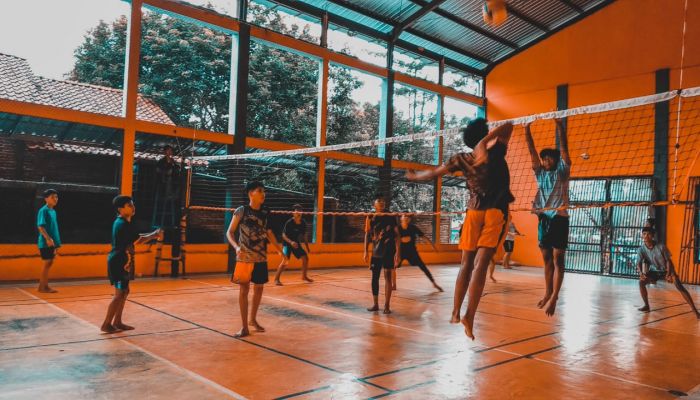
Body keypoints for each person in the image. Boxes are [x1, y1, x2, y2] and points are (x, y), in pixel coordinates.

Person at [407, 118, 514, 340]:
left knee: (466, 263)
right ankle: (469, 316)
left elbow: (434, 173)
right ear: (484, 134)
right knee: (480, 266)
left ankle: (456, 312)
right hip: (494, 213)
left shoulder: (463, 159)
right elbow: (509, 125)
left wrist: (415, 176)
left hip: (473, 212)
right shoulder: (496, 152)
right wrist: (485, 143)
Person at [524, 118, 570, 317]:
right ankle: (548, 291)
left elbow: (565, 152)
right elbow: (532, 152)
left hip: (560, 217)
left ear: (556, 160)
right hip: (544, 218)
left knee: (558, 258)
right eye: (544, 159)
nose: (546, 161)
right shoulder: (540, 174)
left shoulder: (562, 172)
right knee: (546, 259)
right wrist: (526, 129)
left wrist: (560, 127)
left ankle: (555, 297)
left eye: (549, 158)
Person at [226, 181, 282, 337]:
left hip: (261, 258)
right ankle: (244, 327)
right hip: (245, 257)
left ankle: (253, 319)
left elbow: (269, 233)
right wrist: (236, 247)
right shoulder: (241, 211)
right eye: (260, 190)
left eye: (264, 190)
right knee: (244, 290)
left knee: (259, 288)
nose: (263, 193)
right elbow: (229, 232)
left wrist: (279, 250)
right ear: (251, 193)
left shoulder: (265, 212)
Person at [102, 195, 160, 333]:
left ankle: (117, 322)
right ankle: (106, 324)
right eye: (129, 205)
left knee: (125, 291)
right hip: (119, 262)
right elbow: (138, 240)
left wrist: (153, 235)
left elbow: (137, 237)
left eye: (133, 204)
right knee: (119, 293)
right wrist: (154, 235)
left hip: (123, 260)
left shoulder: (124, 223)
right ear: (120, 209)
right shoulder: (122, 224)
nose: (133, 207)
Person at [636, 227, 699, 318]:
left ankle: (694, 310)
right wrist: (641, 273)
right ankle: (646, 305)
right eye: (644, 234)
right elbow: (638, 263)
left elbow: (668, 261)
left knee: (679, 287)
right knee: (641, 282)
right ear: (642, 235)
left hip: (667, 269)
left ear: (653, 236)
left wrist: (669, 274)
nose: (646, 236)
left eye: (649, 234)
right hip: (655, 270)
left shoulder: (661, 246)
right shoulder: (641, 249)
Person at [364, 194, 401, 314]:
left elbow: (397, 236)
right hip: (376, 252)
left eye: (383, 204)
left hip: (389, 251)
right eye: (378, 204)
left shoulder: (390, 216)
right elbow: (367, 234)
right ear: (374, 205)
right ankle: (375, 304)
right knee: (375, 278)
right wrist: (365, 251)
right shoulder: (370, 217)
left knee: (387, 277)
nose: (381, 206)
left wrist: (398, 253)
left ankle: (387, 305)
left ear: (385, 205)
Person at [395, 214, 443, 292]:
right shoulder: (397, 229)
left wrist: (433, 246)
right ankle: (393, 284)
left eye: (408, 217)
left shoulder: (413, 228)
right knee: (393, 267)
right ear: (401, 218)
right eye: (405, 216)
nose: (406, 218)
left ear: (410, 219)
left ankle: (434, 283)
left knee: (423, 267)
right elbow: (394, 241)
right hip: (400, 252)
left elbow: (424, 237)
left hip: (412, 252)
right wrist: (396, 255)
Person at [274, 204, 313, 285]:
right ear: (293, 213)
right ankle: (276, 279)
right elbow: (283, 235)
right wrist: (291, 242)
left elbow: (305, 236)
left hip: (296, 243)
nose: (299, 213)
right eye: (297, 211)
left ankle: (304, 276)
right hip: (287, 243)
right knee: (285, 261)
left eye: (300, 211)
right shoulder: (289, 222)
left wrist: (307, 247)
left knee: (305, 258)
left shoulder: (303, 223)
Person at [37, 189, 61, 293]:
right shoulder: (44, 210)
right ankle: (42, 287)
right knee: (47, 262)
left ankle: (44, 286)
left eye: (56, 197)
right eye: (52, 197)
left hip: (52, 242)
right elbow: (41, 227)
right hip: (46, 242)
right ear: (46, 198)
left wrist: (56, 242)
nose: (55, 199)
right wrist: (48, 239)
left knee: (49, 262)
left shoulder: (53, 211)